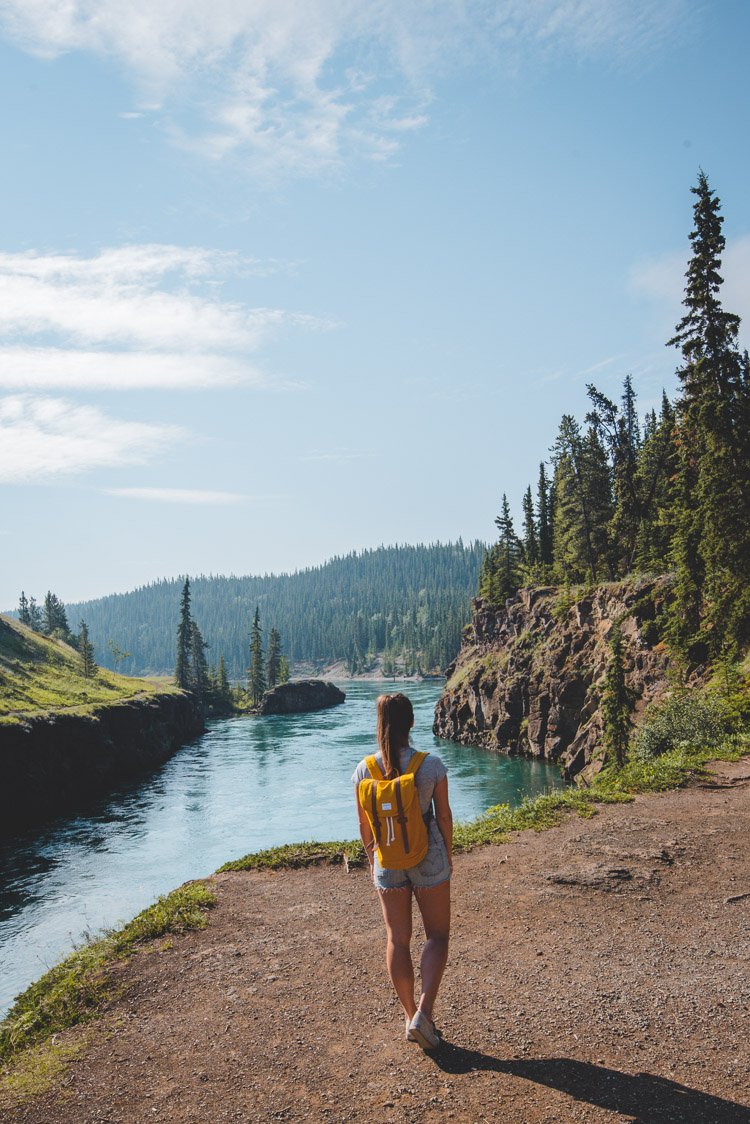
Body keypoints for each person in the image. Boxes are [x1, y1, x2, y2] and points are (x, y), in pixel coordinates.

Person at [352, 692, 453, 1051]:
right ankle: (423, 1015)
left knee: (398, 940)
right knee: (437, 936)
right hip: (429, 859)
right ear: (411, 722)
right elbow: (442, 818)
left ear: (380, 723)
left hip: (387, 862)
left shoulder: (364, 770)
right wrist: (448, 857)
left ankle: (410, 1015)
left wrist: (372, 860)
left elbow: (366, 828)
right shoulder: (431, 765)